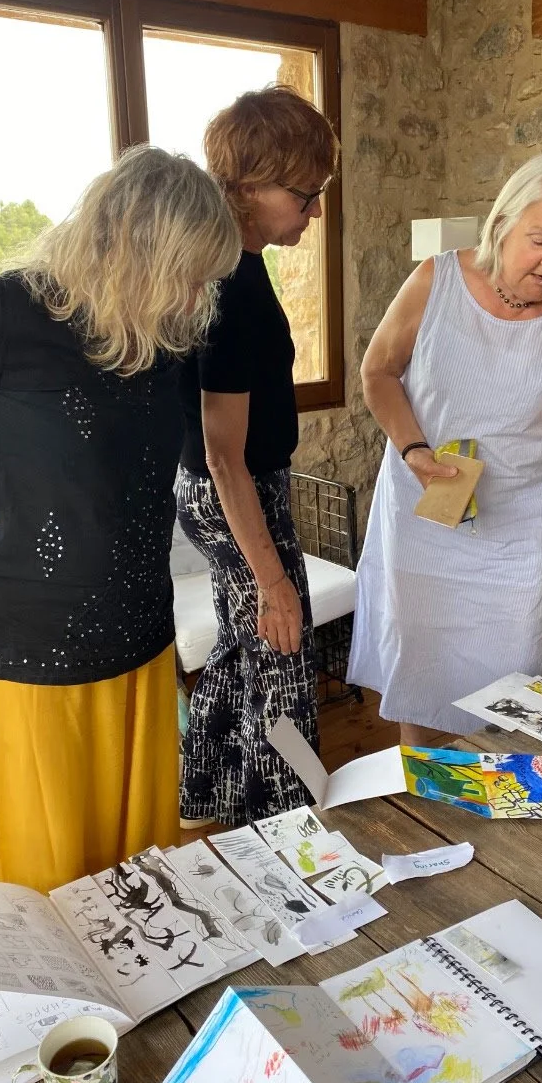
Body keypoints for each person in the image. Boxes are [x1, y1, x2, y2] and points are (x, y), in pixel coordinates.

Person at [0, 145, 241, 892]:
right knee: (54, 882)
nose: (197, 299)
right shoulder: (1, 312)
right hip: (34, 640)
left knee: (145, 874)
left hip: (142, 632)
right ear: (139, 252)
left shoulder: (158, 330)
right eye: (189, 276)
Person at [350, 151, 542, 746]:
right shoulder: (435, 279)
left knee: (515, 681)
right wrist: (414, 449)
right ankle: (427, 802)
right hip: (426, 508)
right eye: (541, 239)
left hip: (518, 526)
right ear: (502, 223)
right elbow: (378, 372)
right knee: (421, 668)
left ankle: (503, 806)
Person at [176, 84, 340, 827]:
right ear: (246, 189)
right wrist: (274, 581)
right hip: (237, 491)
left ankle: (208, 794)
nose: (313, 211)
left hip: (222, 491)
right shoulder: (231, 287)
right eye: (305, 195)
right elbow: (221, 454)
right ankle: (287, 832)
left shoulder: (232, 262)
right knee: (281, 654)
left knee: (243, 651)